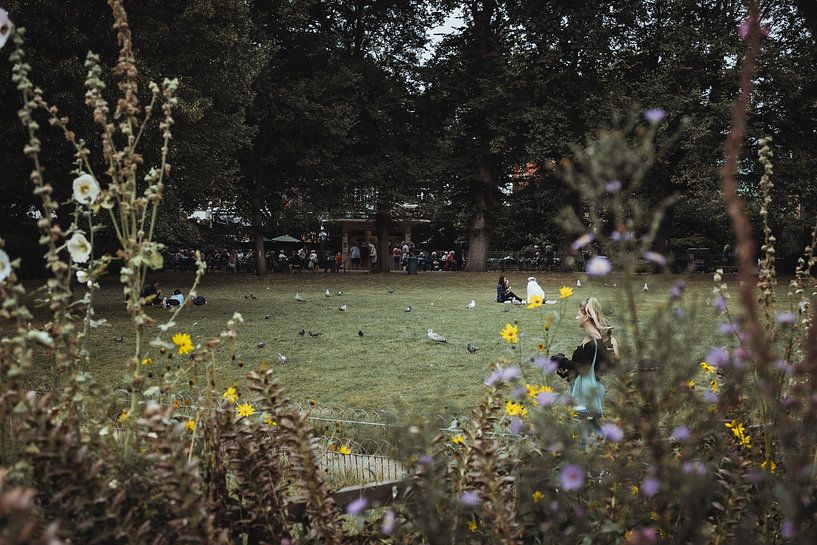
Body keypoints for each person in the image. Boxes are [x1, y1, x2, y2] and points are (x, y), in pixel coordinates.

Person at [555, 297, 617, 436]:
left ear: (587, 317)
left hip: (587, 392)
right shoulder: (589, 337)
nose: (576, 317)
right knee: (588, 426)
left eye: (578, 314)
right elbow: (586, 365)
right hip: (582, 387)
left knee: (585, 425)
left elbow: (584, 368)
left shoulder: (594, 340)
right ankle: (601, 448)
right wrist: (566, 371)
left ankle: (601, 448)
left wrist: (563, 361)